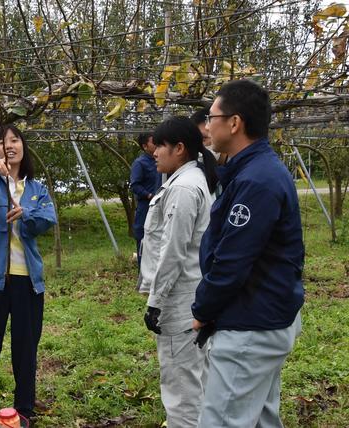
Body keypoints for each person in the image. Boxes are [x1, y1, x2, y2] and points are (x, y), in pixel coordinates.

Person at [192, 79, 304, 427]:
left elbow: (232, 261)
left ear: (234, 122)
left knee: (222, 421)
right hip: (264, 315)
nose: (207, 125)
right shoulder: (252, 171)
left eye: (212, 117)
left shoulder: (257, 180)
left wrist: (203, 309)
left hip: (250, 324)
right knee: (260, 419)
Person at [0, 125, 57, 422]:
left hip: (26, 280)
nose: (10, 145)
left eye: (15, 140)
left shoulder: (36, 189)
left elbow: (47, 219)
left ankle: (24, 409)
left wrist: (25, 214)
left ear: (23, 146)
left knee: (25, 347)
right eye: (2, 142)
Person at [139, 116, 218, 427]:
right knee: (197, 381)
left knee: (181, 391)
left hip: (179, 300)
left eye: (161, 146)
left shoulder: (184, 188)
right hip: (192, 295)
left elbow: (172, 252)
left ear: (180, 149)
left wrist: (155, 302)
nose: (155, 152)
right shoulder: (191, 180)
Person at [129, 132, 161, 267]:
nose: (157, 145)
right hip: (146, 207)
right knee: (143, 240)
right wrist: (149, 196)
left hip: (160, 206)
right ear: (145, 146)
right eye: (154, 142)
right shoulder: (140, 163)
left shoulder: (162, 160)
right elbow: (134, 185)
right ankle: (143, 276)